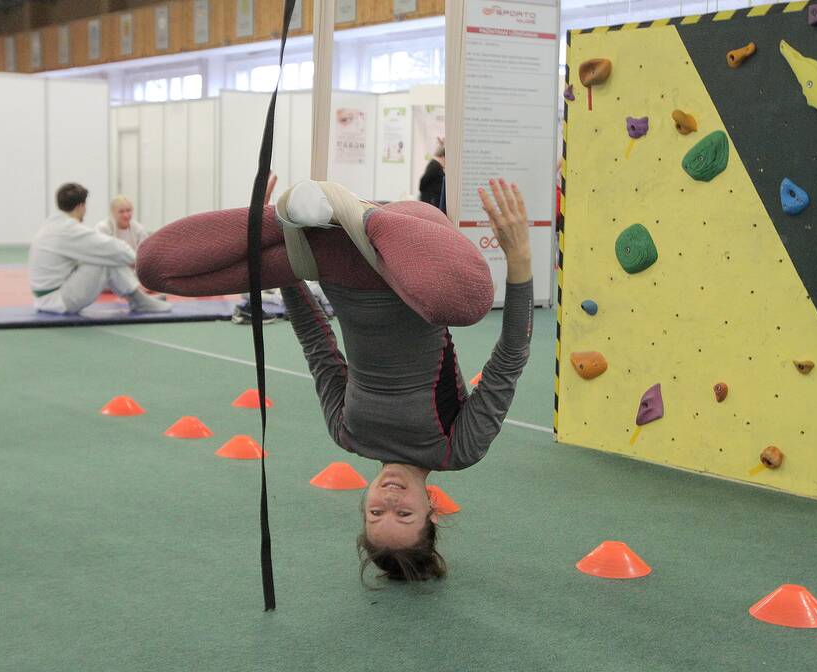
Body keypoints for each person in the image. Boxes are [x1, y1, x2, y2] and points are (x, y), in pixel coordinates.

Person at [137, 177, 532, 584]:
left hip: (335, 261)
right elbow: (510, 359)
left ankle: (297, 215)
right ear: (431, 511)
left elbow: (317, 345)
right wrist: (519, 259)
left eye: (377, 512)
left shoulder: (348, 433)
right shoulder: (456, 449)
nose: (390, 498)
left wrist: (284, 254)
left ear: (364, 507)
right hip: (410, 254)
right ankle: (353, 213)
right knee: (463, 301)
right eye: (405, 512)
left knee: (156, 268)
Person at [29, 183, 172, 315]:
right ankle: (139, 300)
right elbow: (117, 251)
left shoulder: (52, 225)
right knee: (106, 258)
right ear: (81, 206)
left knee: (105, 255)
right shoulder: (69, 230)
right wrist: (138, 261)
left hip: (49, 297)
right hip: (57, 301)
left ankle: (140, 298)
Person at [418, 140, 445, 207]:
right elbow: (423, 181)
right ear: (443, 157)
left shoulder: (436, 165)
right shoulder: (434, 165)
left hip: (432, 200)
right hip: (430, 201)